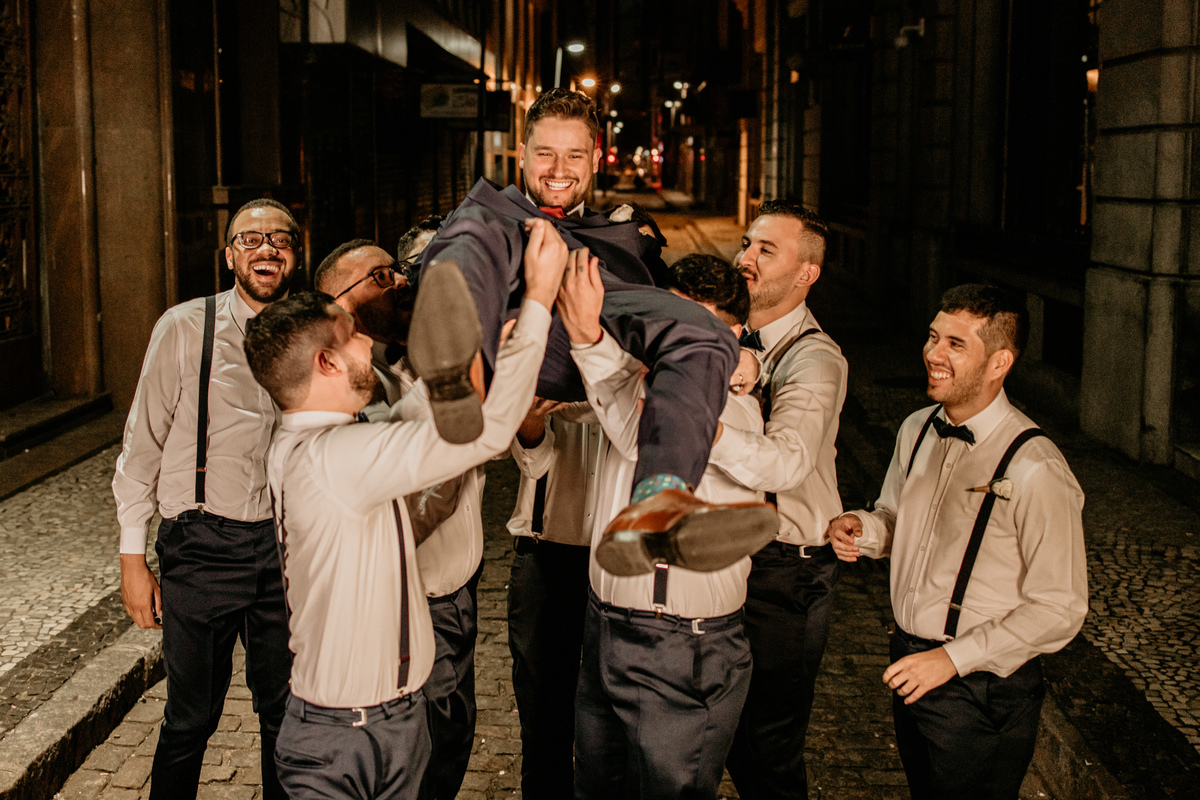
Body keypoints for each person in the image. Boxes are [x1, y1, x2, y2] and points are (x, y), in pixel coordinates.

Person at [243, 221, 566, 799]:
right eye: (351, 339)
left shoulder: (333, 438)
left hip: (392, 723)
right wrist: (540, 300)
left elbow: (427, 406)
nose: (367, 342)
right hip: (342, 743)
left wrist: (484, 320)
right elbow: (483, 433)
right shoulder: (332, 456)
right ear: (326, 364)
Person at [414, 88, 775, 574]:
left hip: (585, 314)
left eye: (574, 155)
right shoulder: (487, 216)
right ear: (522, 155)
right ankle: (459, 376)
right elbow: (439, 263)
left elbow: (670, 303)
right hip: (505, 325)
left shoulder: (617, 235)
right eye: (544, 153)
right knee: (475, 231)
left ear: (595, 159)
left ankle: (656, 505)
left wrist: (741, 352)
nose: (558, 168)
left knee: (703, 331)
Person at [826, 284, 1088, 799]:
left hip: (983, 690)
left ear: (999, 362)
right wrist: (863, 527)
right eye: (932, 337)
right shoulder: (916, 428)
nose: (932, 354)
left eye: (955, 344)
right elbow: (895, 516)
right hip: (910, 663)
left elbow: (1061, 607)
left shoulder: (1037, 469)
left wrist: (951, 660)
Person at [112, 198, 300, 800]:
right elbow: (140, 447)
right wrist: (132, 559)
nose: (266, 247)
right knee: (189, 719)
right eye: (250, 239)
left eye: (280, 238)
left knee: (284, 719)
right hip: (200, 547)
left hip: (284, 551)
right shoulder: (185, 327)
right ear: (228, 256)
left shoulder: (316, 331)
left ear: (296, 253)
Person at [559, 251, 764, 800]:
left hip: (681, 643)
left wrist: (588, 343)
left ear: (731, 336)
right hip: (604, 625)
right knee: (593, 785)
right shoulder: (634, 378)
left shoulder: (732, 406)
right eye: (667, 321)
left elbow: (640, 431)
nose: (673, 341)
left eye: (694, 328)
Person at [312, 237, 488, 799]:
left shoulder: (415, 359)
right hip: (408, 603)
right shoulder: (346, 389)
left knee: (453, 735)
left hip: (457, 592)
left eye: (399, 272)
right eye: (380, 277)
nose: (401, 283)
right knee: (420, 752)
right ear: (339, 302)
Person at [705, 200, 848, 800]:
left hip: (787, 572)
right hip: (738, 559)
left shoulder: (815, 359)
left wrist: (695, 418)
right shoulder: (734, 335)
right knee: (720, 728)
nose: (746, 259)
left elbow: (788, 461)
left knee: (767, 747)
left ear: (806, 272)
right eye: (747, 244)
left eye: (767, 250)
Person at [506, 400, 601, 800]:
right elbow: (532, 463)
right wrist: (529, 417)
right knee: (543, 711)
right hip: (544, 554)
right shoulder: (546, 358)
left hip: (615, 566)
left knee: (611, 716)